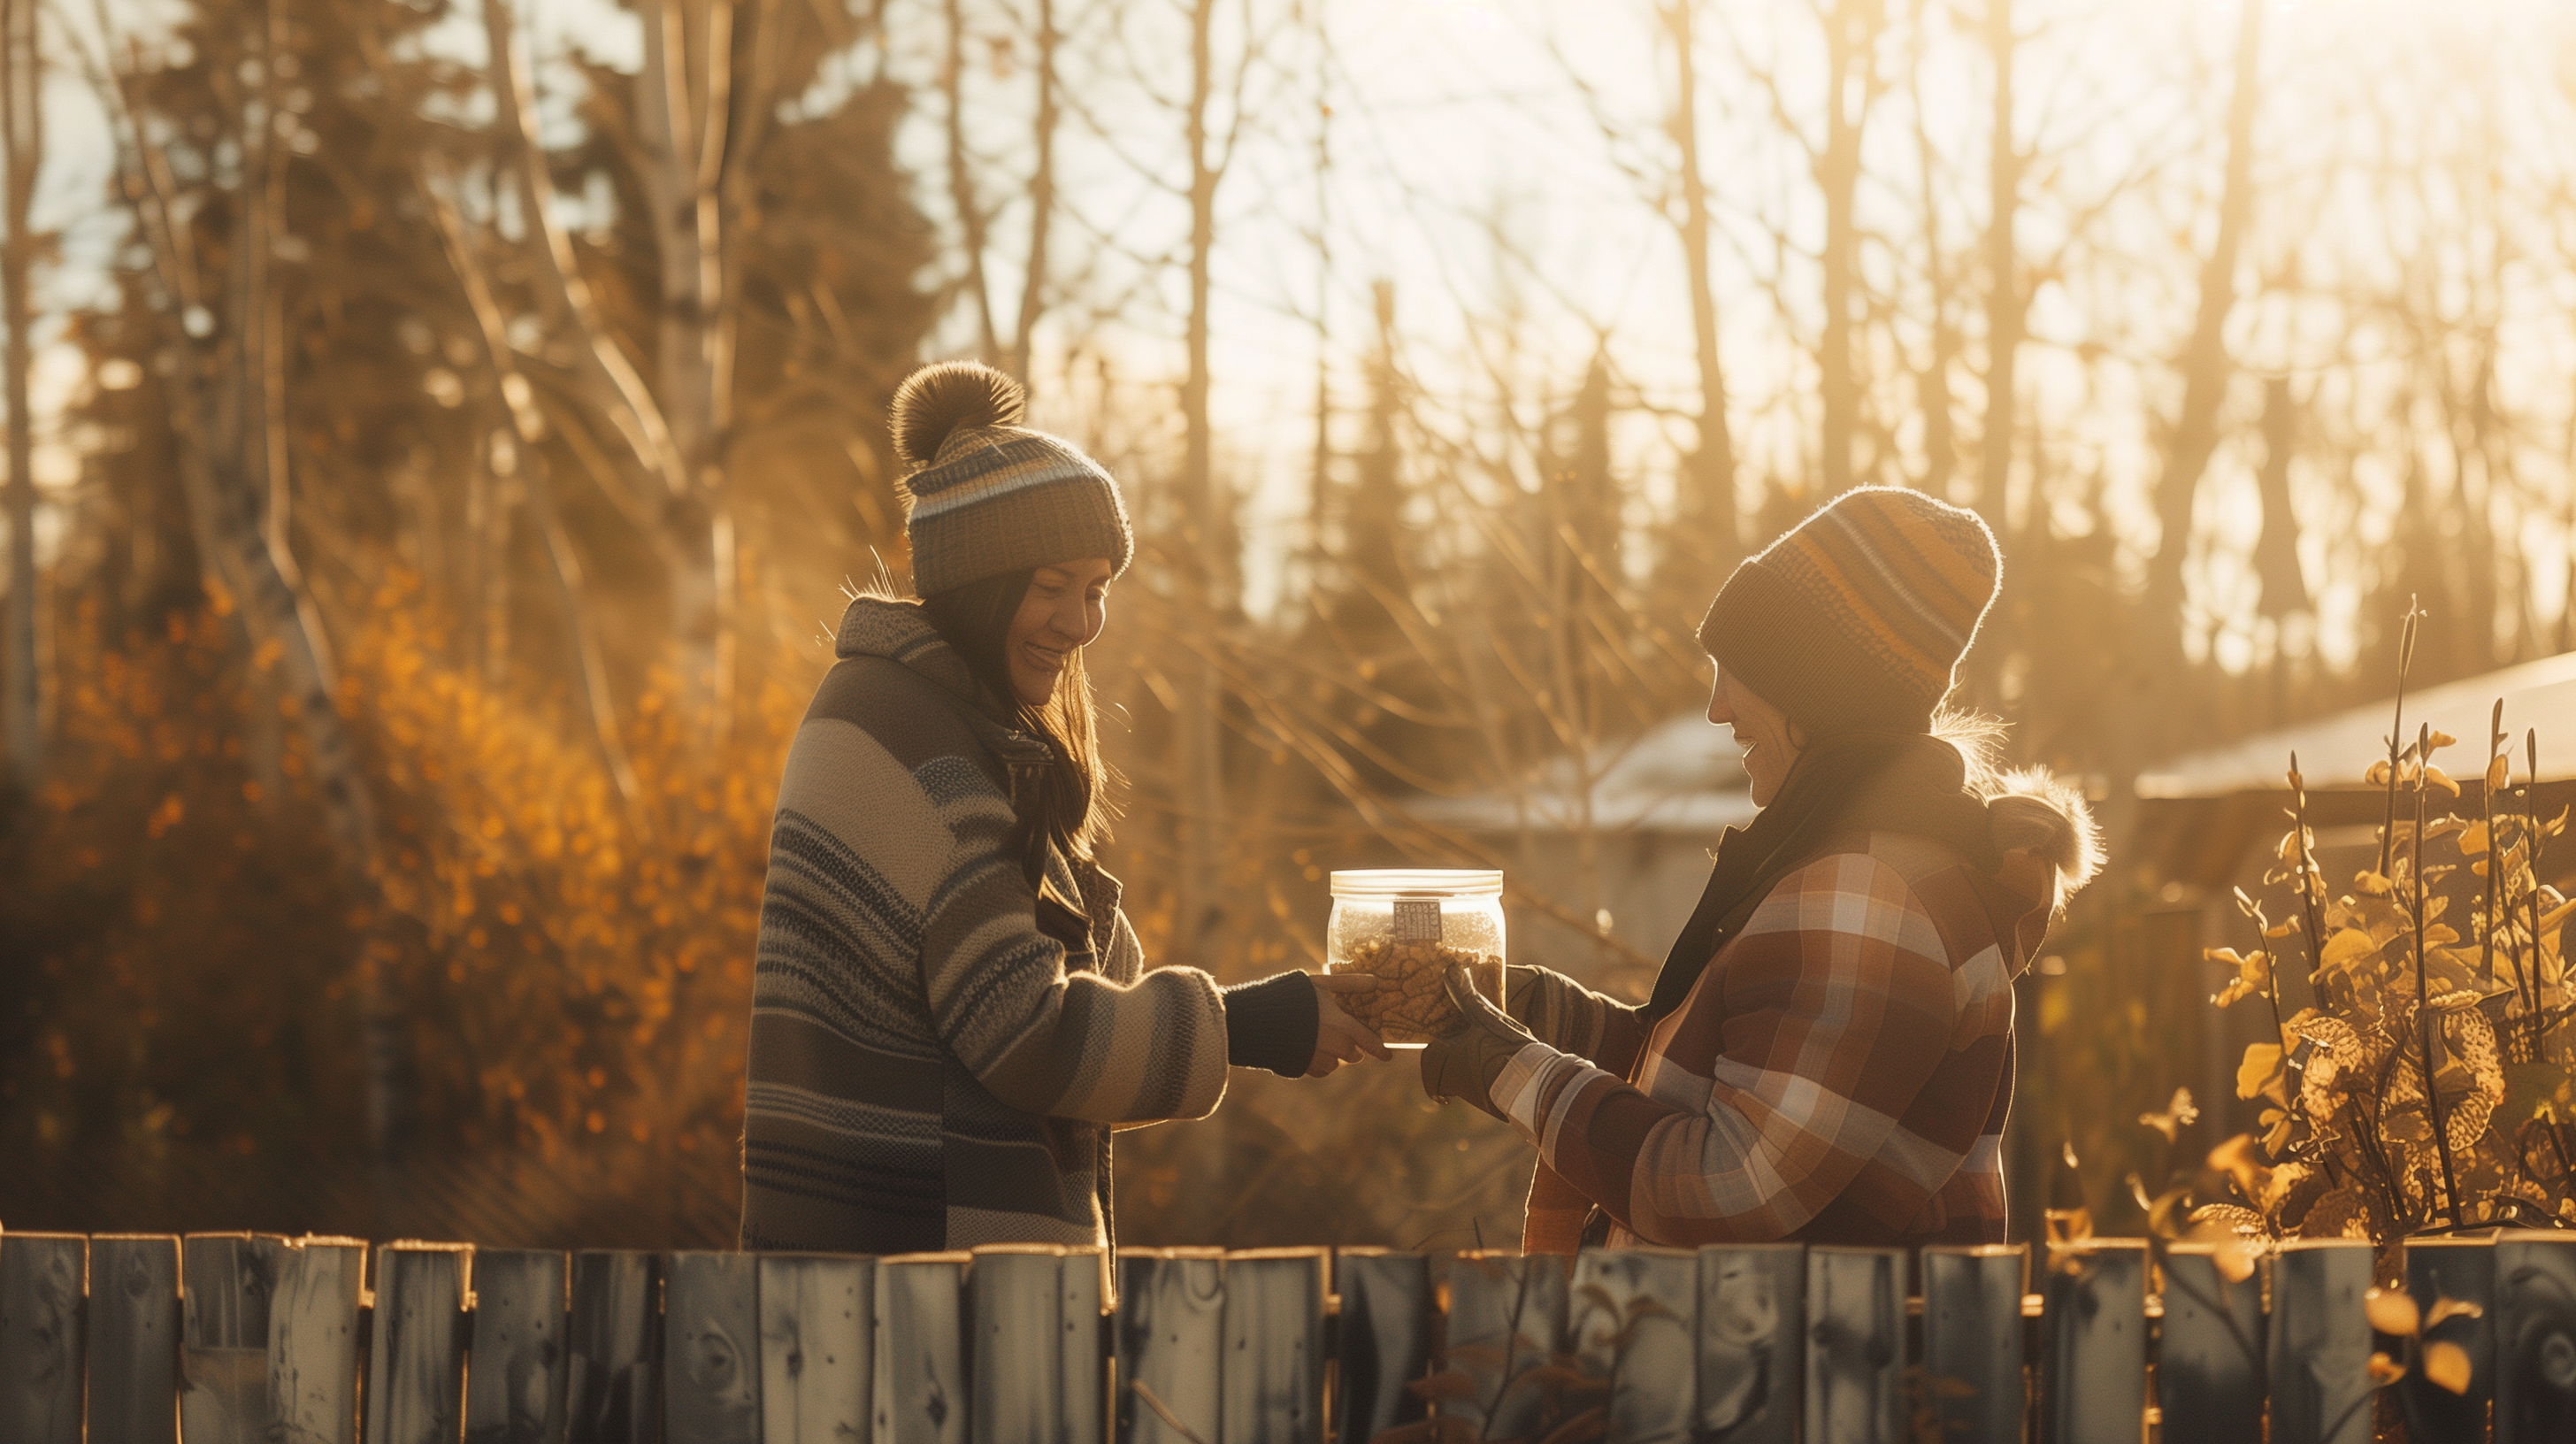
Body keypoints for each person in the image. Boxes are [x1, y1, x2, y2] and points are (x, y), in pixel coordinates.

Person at [740, 361, 1386, 1254]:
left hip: (871, 1282)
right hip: (923, 1285)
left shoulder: (906, 715)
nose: (1079, 623)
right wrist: (1244, 1024)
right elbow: (1021, 1035)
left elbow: (1029, 1001)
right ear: (974, 579)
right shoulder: (923, 742)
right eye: (1049, 586)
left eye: (1095, 591)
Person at [1422, 487, 2099, 1249]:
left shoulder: (1869, 896)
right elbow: (1730, 1084)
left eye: (1744, 669)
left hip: (1782, 1362)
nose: (1717, 707)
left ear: (1820, 693)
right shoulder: (1858, 866)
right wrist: (1537, 1014)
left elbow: (1725, 1192)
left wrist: (1515, 1073)